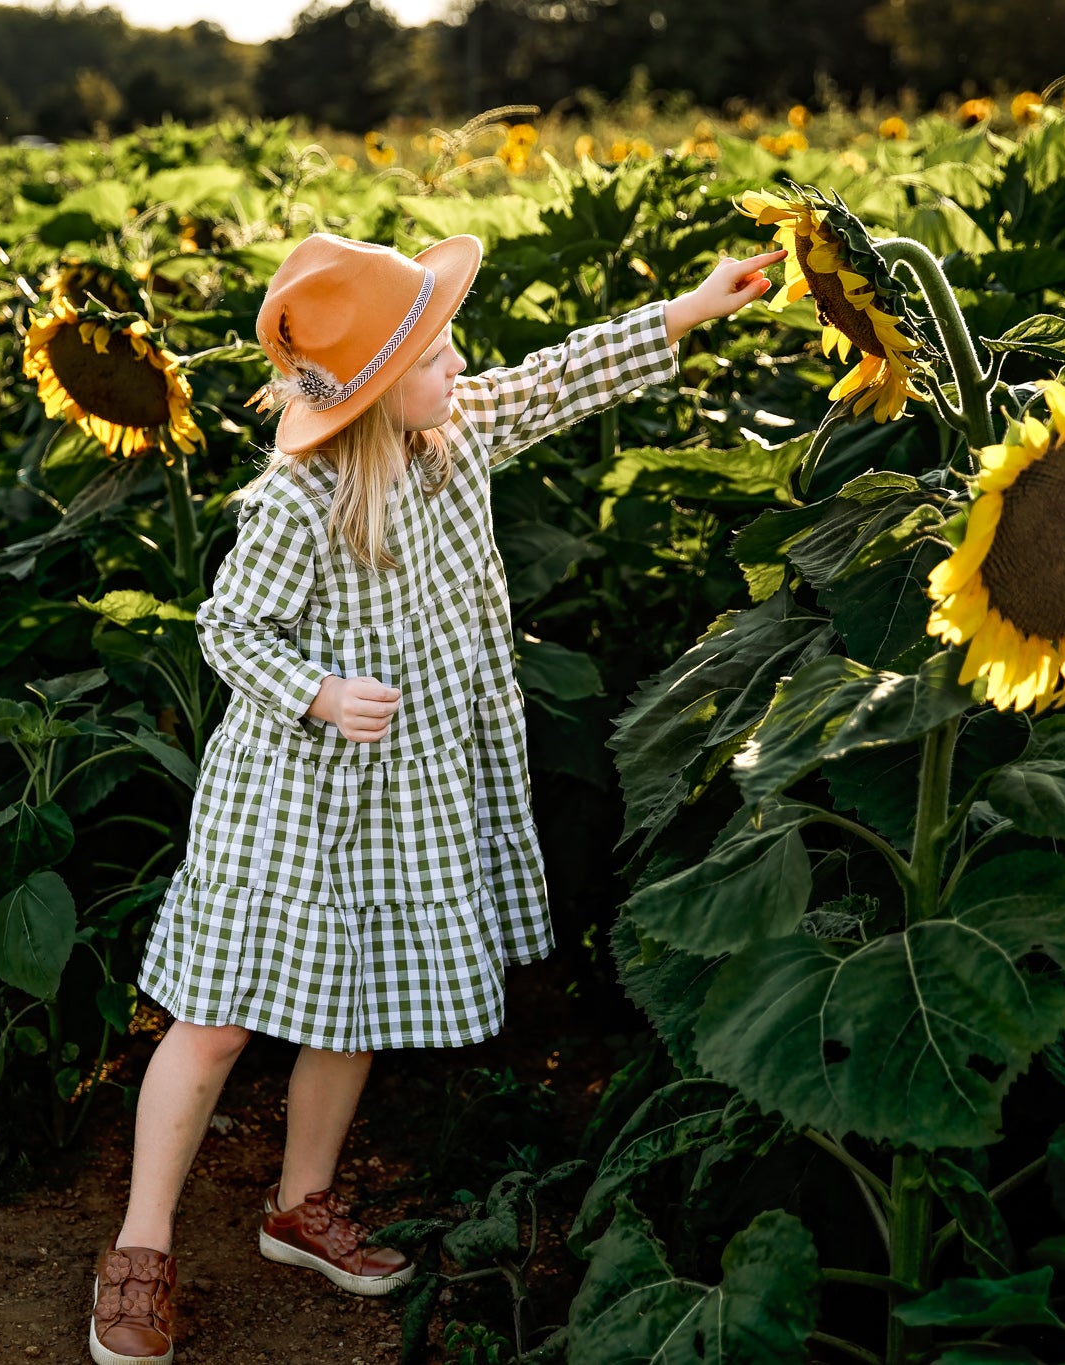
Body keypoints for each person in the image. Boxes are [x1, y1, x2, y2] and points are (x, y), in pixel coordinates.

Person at [89, 231, 786, 1365]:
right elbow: (226, 629)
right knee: (213, 1019)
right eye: (438, 351)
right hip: (288, 798)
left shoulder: (449, 443)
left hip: (403, 797)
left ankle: (297, 1205)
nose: (461, 365)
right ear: (372, 389)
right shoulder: (297, 502)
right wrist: (314, 691)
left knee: (351, 996)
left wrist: (686, 310)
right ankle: (140, 1245)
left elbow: (558, 376)